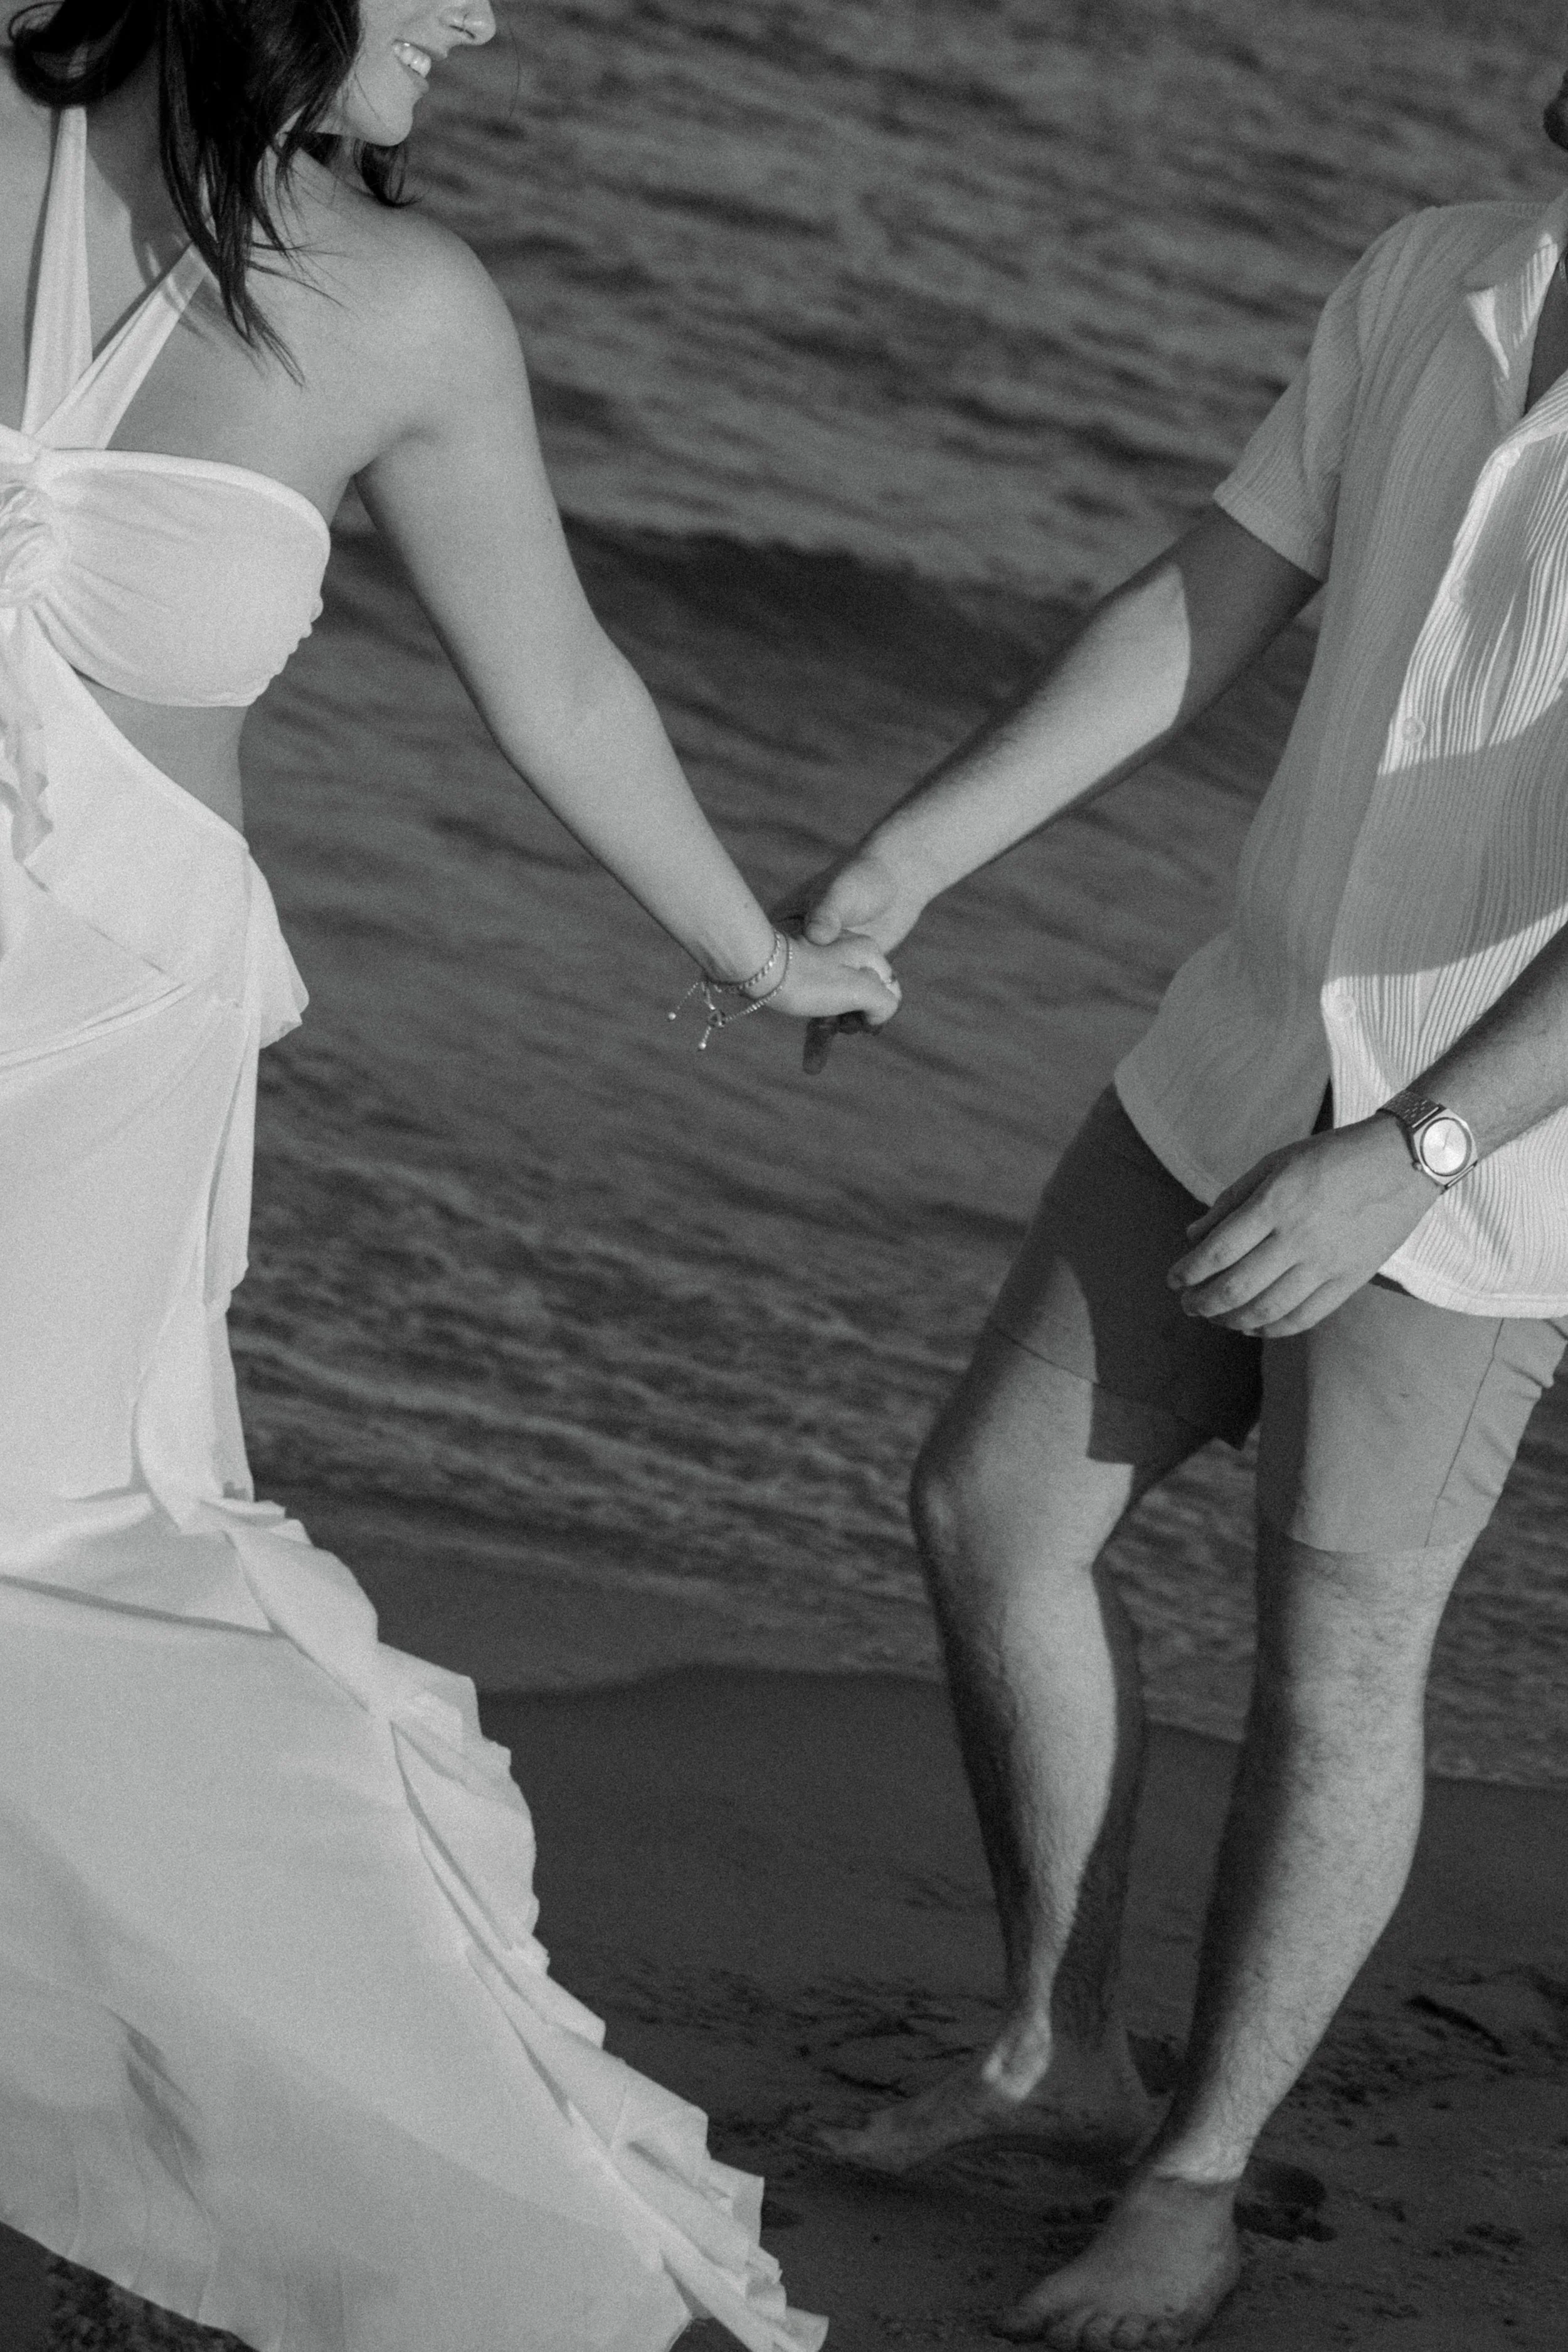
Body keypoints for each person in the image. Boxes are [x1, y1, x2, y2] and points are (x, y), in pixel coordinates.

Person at [0, 4, 901, 2347]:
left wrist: (763, 954)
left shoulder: (403, 304)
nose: (490, 13)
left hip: (96, 1055)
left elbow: (569, 684)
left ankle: (419, 2201)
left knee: (67, 1592)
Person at [790, 61, 1568, 2352]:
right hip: (1236, 1047)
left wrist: (1407, 1151)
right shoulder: (1435, 275)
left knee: (1337, 1664)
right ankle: (1053, 2050)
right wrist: (906, 854)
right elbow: (1203, 601)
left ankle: (1196, 2184)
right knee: (987, 1507)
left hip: (1485, 1166)